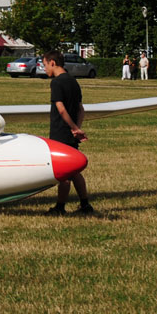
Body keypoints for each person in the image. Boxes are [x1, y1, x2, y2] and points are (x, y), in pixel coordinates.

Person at [42, 50, 93, 215]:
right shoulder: (73, 82)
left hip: (61, 132)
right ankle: (85, 205)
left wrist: (73, 127)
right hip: (71, 133)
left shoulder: (56, 83)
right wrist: (77, 128)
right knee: (74, 171)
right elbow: (80, 109)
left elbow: (61, 108)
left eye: (44, 65)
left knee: (63, 172)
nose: (44, 69)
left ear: (52, 63)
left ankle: (60, 207)